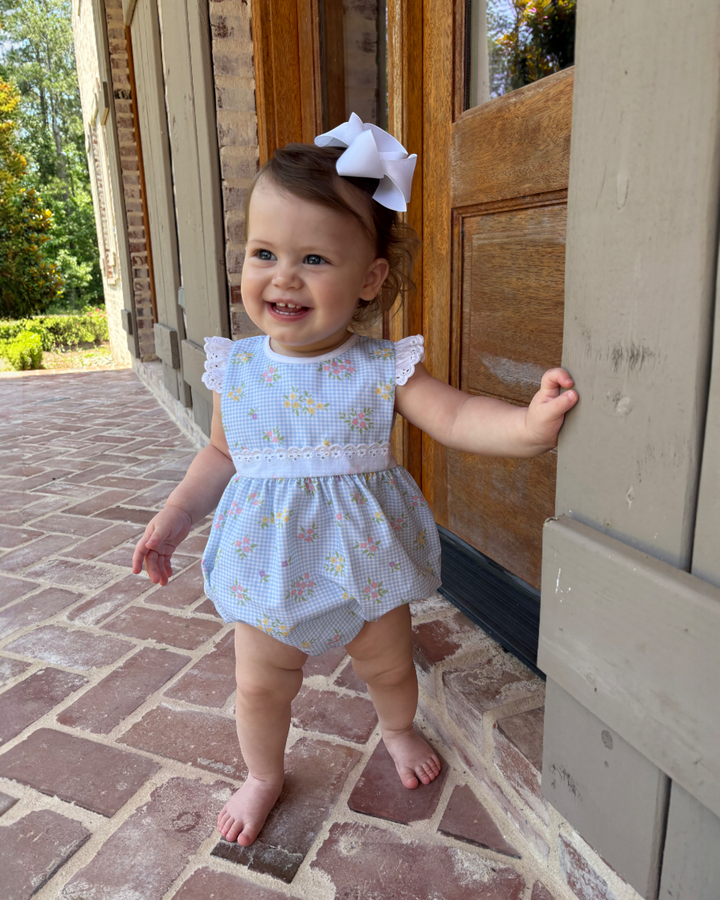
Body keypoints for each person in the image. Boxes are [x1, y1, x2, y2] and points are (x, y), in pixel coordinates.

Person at [131, 113, 578, 849]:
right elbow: (220, 454)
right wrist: (176, 516)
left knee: (390, 666)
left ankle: (398, 730)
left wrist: (527, 428)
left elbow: (458, 415)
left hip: (367, 568)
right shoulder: (235, 368)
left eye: (314, 258)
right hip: (270, 571)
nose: (283, 276)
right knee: (260, 685)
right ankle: (263, 774)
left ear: (370, 279)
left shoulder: (381, 367)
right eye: (264, 252)